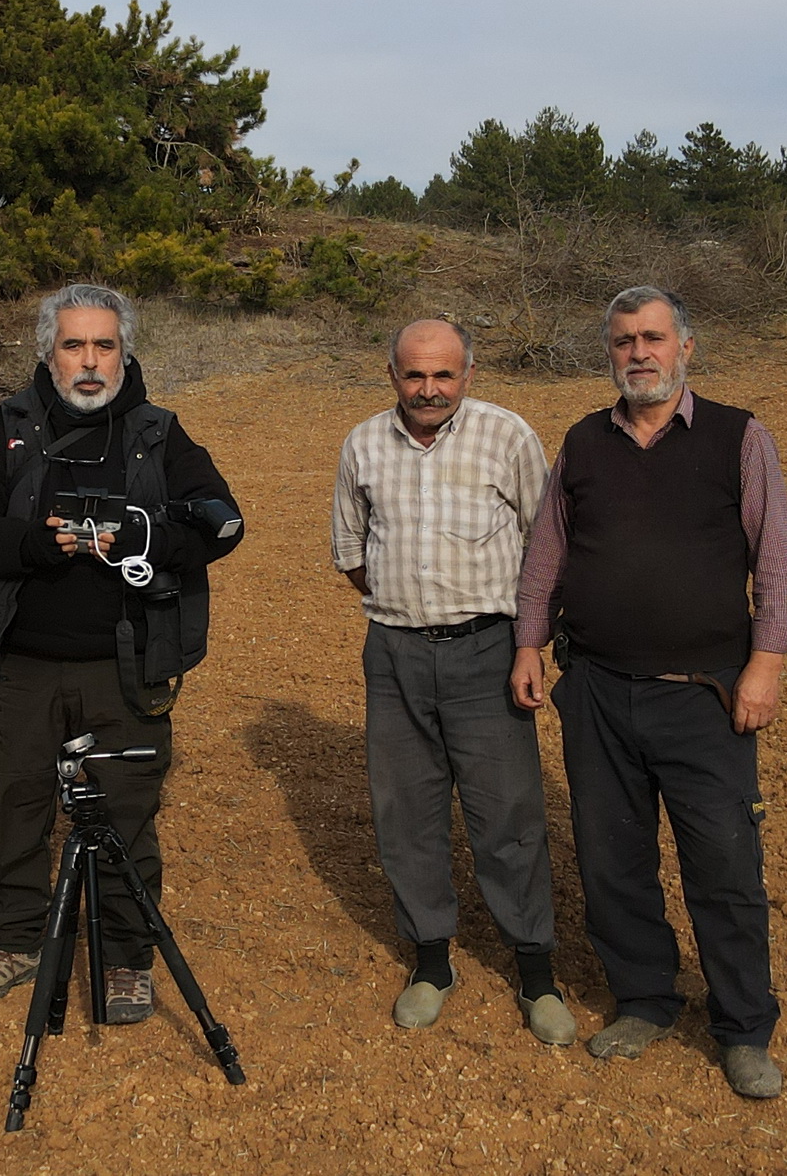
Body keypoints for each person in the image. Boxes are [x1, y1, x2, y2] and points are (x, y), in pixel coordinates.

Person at [510, 285, 787, 1100]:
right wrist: (530, 642)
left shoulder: (736, 436)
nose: (637, 353)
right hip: (599, 690)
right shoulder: (582, 442)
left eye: (652, 338)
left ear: (685, 347)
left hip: (705, 693)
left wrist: (767, 664)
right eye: (622, 341)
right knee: (614, 860)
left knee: (723, 864)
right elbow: (547, 554)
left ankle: (744, 1026)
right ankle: (644, 997)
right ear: (608, 352)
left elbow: (775, 556)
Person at [0, 283, 243, 1024]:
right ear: (49, 352)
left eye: (103, 345)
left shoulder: (157, 433)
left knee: (126, 811)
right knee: (15, 801)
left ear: (124, 351)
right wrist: (33, 546)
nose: (88, 361)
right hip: (27, 661)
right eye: (74, 345)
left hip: (127, 663)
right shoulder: (10, 427)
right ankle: (15, 938)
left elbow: (222, 522)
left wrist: (148, 539)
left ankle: (124, 957)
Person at [330, 319, 574, 1045]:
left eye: (443, 374)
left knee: (509, 818)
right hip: (395, 651)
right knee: (406, 813)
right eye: (414, 375)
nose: (428, 389)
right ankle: (431, 960)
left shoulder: (507, 435)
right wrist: (410, 607)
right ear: (392, 373)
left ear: (469, 372)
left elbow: (546, 545)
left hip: (488, 650)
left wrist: (526, 641)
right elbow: (351, 549)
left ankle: (537, 971)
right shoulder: (364, 443)